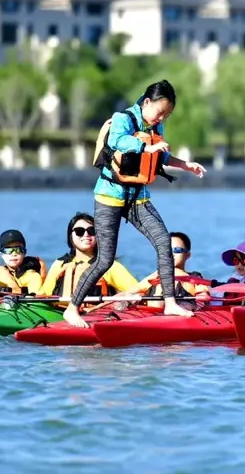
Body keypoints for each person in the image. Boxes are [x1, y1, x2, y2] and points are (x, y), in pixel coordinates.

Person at [64, 80, 206, 327]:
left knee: (163, 242)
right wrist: (146, 146)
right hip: (109, 196)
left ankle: (170, 303)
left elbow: (161, 156)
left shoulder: (155, 126)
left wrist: (186, 165)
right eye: (160, 111)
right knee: (105, 260)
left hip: (137, 197)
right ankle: (72, 308)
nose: (161, 117)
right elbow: (118, 142)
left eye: (167, 114)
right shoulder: (123, 118)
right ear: (147, 102)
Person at [38, 212, 141, 297]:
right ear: (70, 237)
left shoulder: (108, 265)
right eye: (79, 231)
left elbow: (138, 290)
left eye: (91, 231)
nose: (86, 235)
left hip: (96, 316)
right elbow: (45, 294)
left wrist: (122, 296)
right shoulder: (59, 264)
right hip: (59, 315)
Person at [137, 231, 209, 298]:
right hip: (155, 303)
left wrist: (202, 295)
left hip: (185, 304)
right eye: (167, 250)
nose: (171, 254)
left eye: (177, 250)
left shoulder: (195, 277)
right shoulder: (156, 275)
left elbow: (203, 294)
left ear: (188, 255)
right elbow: (134, 290)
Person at [0, 229, 46, 294]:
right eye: (8, 251)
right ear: (2, 255)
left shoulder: (35, 270)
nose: (13, 254)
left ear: (24, 252)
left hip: (35, 299)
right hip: (4, 300)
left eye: (18, 250)